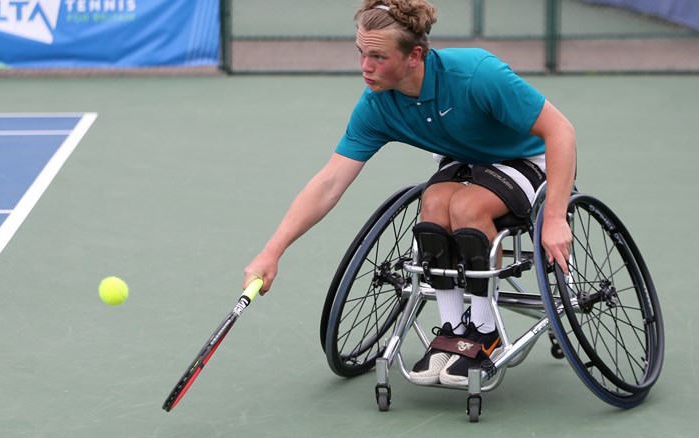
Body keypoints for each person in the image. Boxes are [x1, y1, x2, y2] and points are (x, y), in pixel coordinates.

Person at [243, 0, 575, 387]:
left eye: (378, 56)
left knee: (467, 205)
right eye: (361, 53)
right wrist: (273, 250)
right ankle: (452, 330)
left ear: (414, 55)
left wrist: (554, 217)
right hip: (465, 160)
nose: (365, 66)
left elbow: (561, 131)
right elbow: (330, 182)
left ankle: (485, 332)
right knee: (432, 202)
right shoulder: (377, 106)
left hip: (527, 159)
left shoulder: (475, 74)